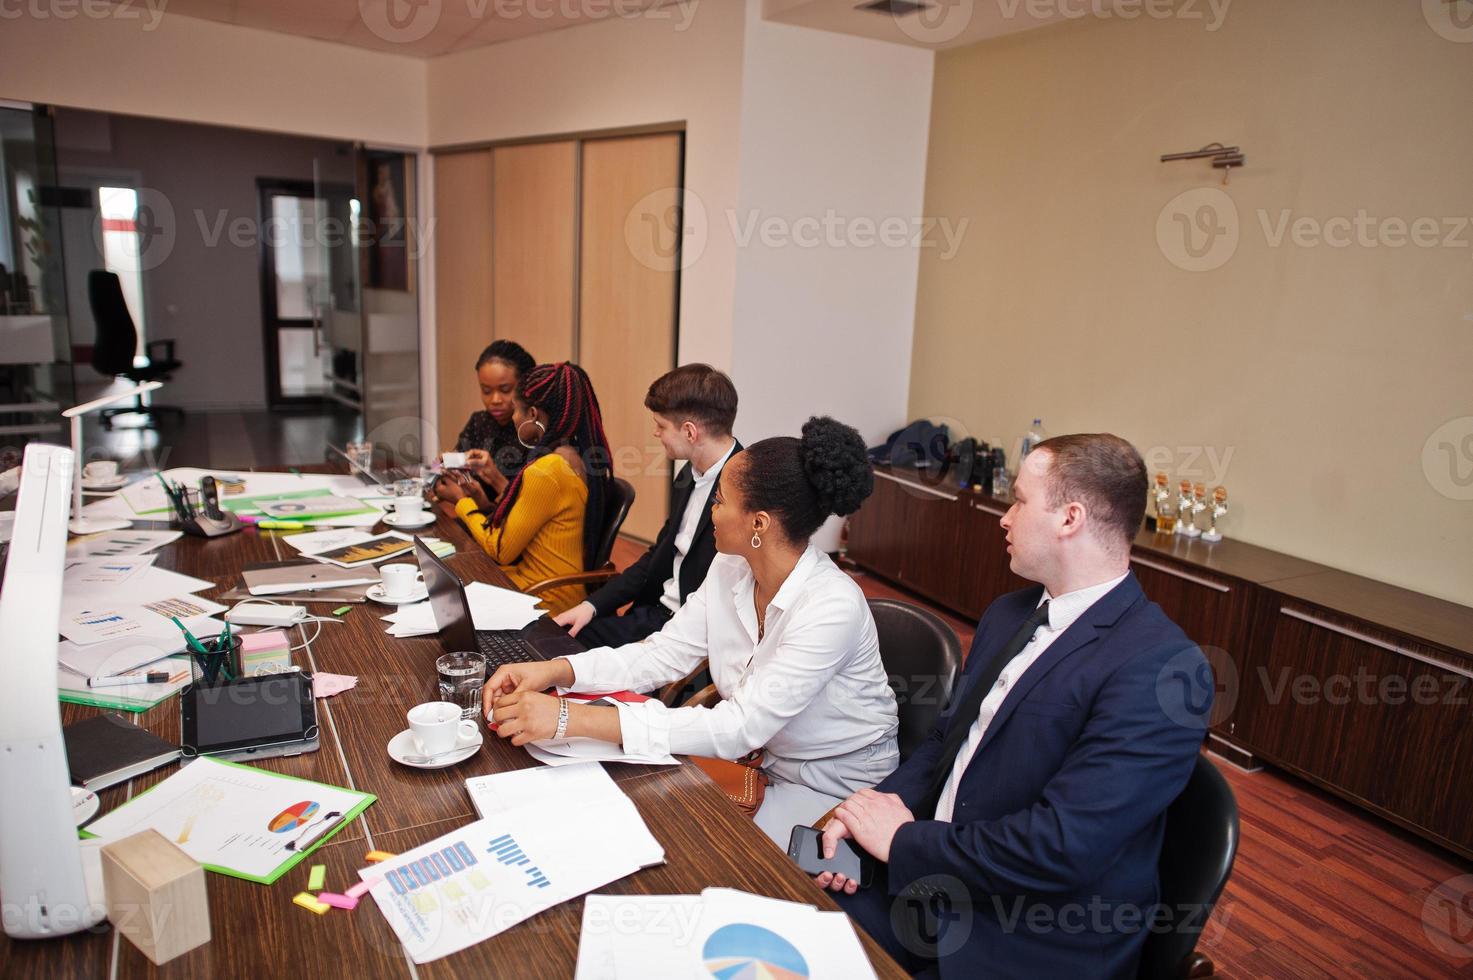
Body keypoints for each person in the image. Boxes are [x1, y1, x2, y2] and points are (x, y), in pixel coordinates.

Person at [814, 433, 1212, 979]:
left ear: (1069, 519)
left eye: (1020, 500)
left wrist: (905, 841)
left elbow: (1062, 846)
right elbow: (944, 743)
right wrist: (865, 817)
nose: (1004, 518)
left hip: (1027, 938)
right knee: (782, 925)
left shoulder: (1161, 669)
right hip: (932, 884)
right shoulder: (1010, 612)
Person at [483, 417, 900, 844]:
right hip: (765, 761)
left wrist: (573, 718)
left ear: (759, 523)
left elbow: (739, 727)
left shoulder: (830, 605)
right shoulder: (731, 565)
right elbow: (662, 653)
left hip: (839, 787)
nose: (711, 512)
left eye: (719, 501)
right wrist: (556, 670)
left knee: (687, 843)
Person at [554, 363, 740, 648]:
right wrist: (591, 605)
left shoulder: (746, 489)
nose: (656, 433)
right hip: (654, 614)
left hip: (690, 634)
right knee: (561, 640)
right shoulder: (688, 474)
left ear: (690, 432)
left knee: (570, 658)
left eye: (661, 425)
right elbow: (659, 555)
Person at [438, 362, 612, 616]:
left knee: (447, 594)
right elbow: (538, 520)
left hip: (544, 597)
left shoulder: (546, 470)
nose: (514, 418)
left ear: (531, 414)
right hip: (560, 588)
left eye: (516, 411)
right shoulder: (574, 455)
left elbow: (501, 550)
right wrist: (484, 504)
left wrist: (461, 501)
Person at [449, 339, 537, 482]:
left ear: (526, 386)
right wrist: (441, 465)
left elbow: (527, 501)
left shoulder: (533, 430)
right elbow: (452, 461)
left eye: (505, 390)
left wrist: (495, 478)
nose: (495, 400)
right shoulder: (479, 422)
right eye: (486, 390)